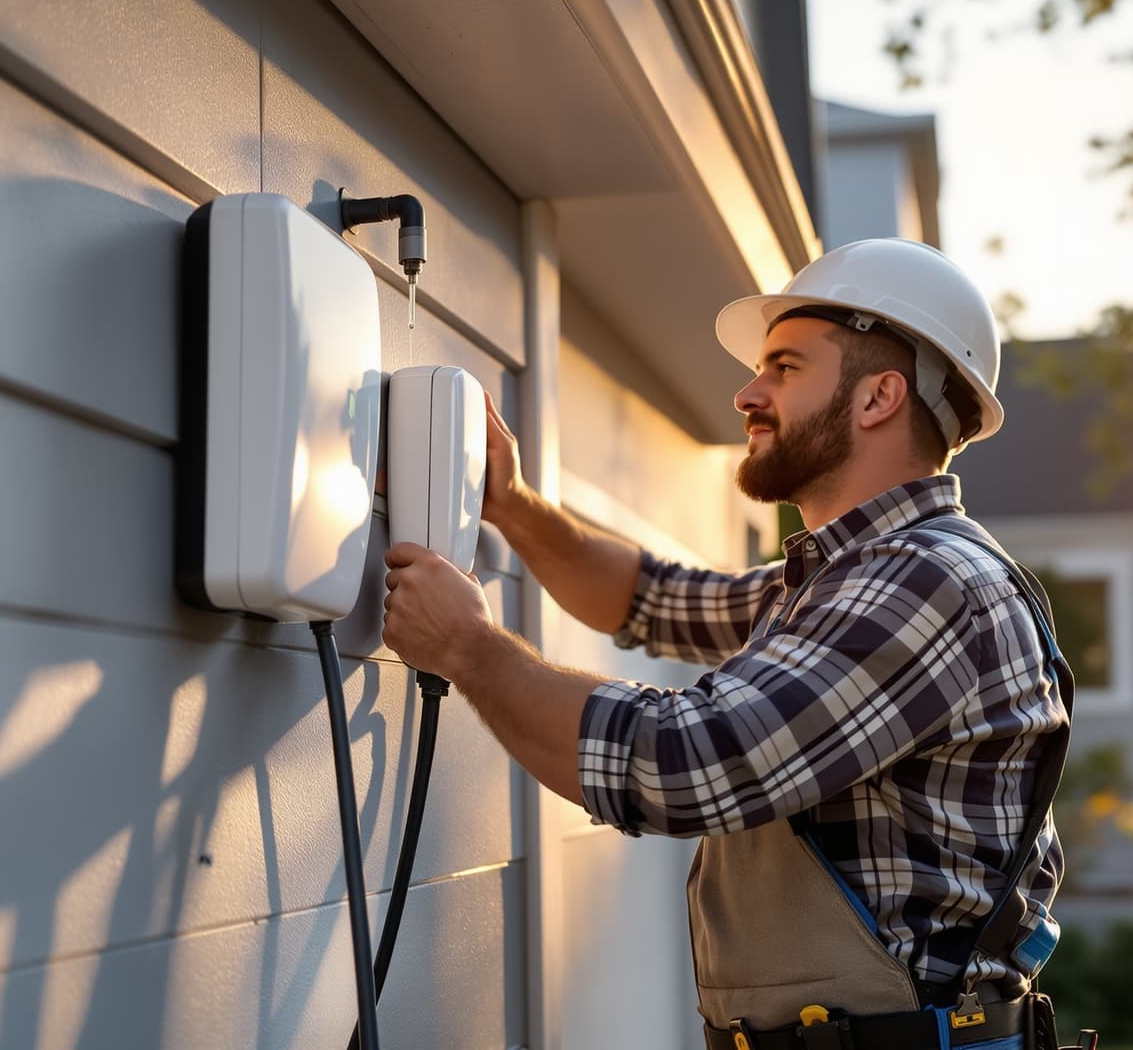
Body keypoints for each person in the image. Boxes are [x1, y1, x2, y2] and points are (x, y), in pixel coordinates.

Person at [380, 238, 1073, 1050]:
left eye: (785, 367)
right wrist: (513, 504)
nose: (747, 392)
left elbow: (684, 765)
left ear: (879, 397)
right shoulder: (843, 581)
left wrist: (469, 646)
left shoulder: (926, 586)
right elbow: (653, 599)